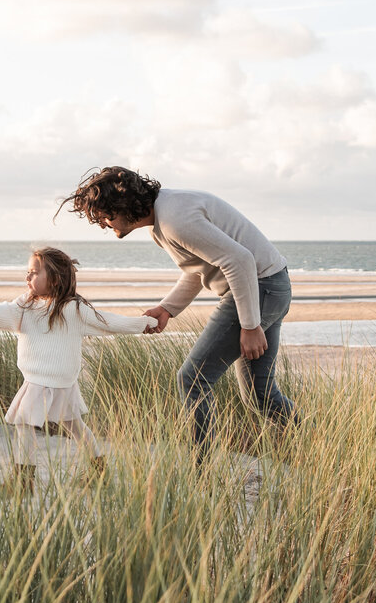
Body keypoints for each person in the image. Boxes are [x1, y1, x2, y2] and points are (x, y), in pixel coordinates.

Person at [58, 166, 298, 461]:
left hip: (258, 289)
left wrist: (250, 326)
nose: (104, 224)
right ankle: (315, 445)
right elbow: (197, 271)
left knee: (192, 380)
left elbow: (240, 260)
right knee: (260, 395)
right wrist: (167, 309)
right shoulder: (164, 218)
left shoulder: (174, 221)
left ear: (123, 204)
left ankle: (203, 473)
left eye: (105, 215)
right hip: (272, 286)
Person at [0, 247, 158, 495]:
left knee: (25, 425)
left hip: (43, 380)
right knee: (75, 426)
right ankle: (99, 473)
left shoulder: (72, 310)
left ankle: (24, 482)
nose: (28, 278)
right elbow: (5, 312)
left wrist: (144, 324)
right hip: (58, 381)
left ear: (54, 279)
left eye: (34, 273)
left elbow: (108, 322)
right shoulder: (25, 304)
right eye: (28, 272)